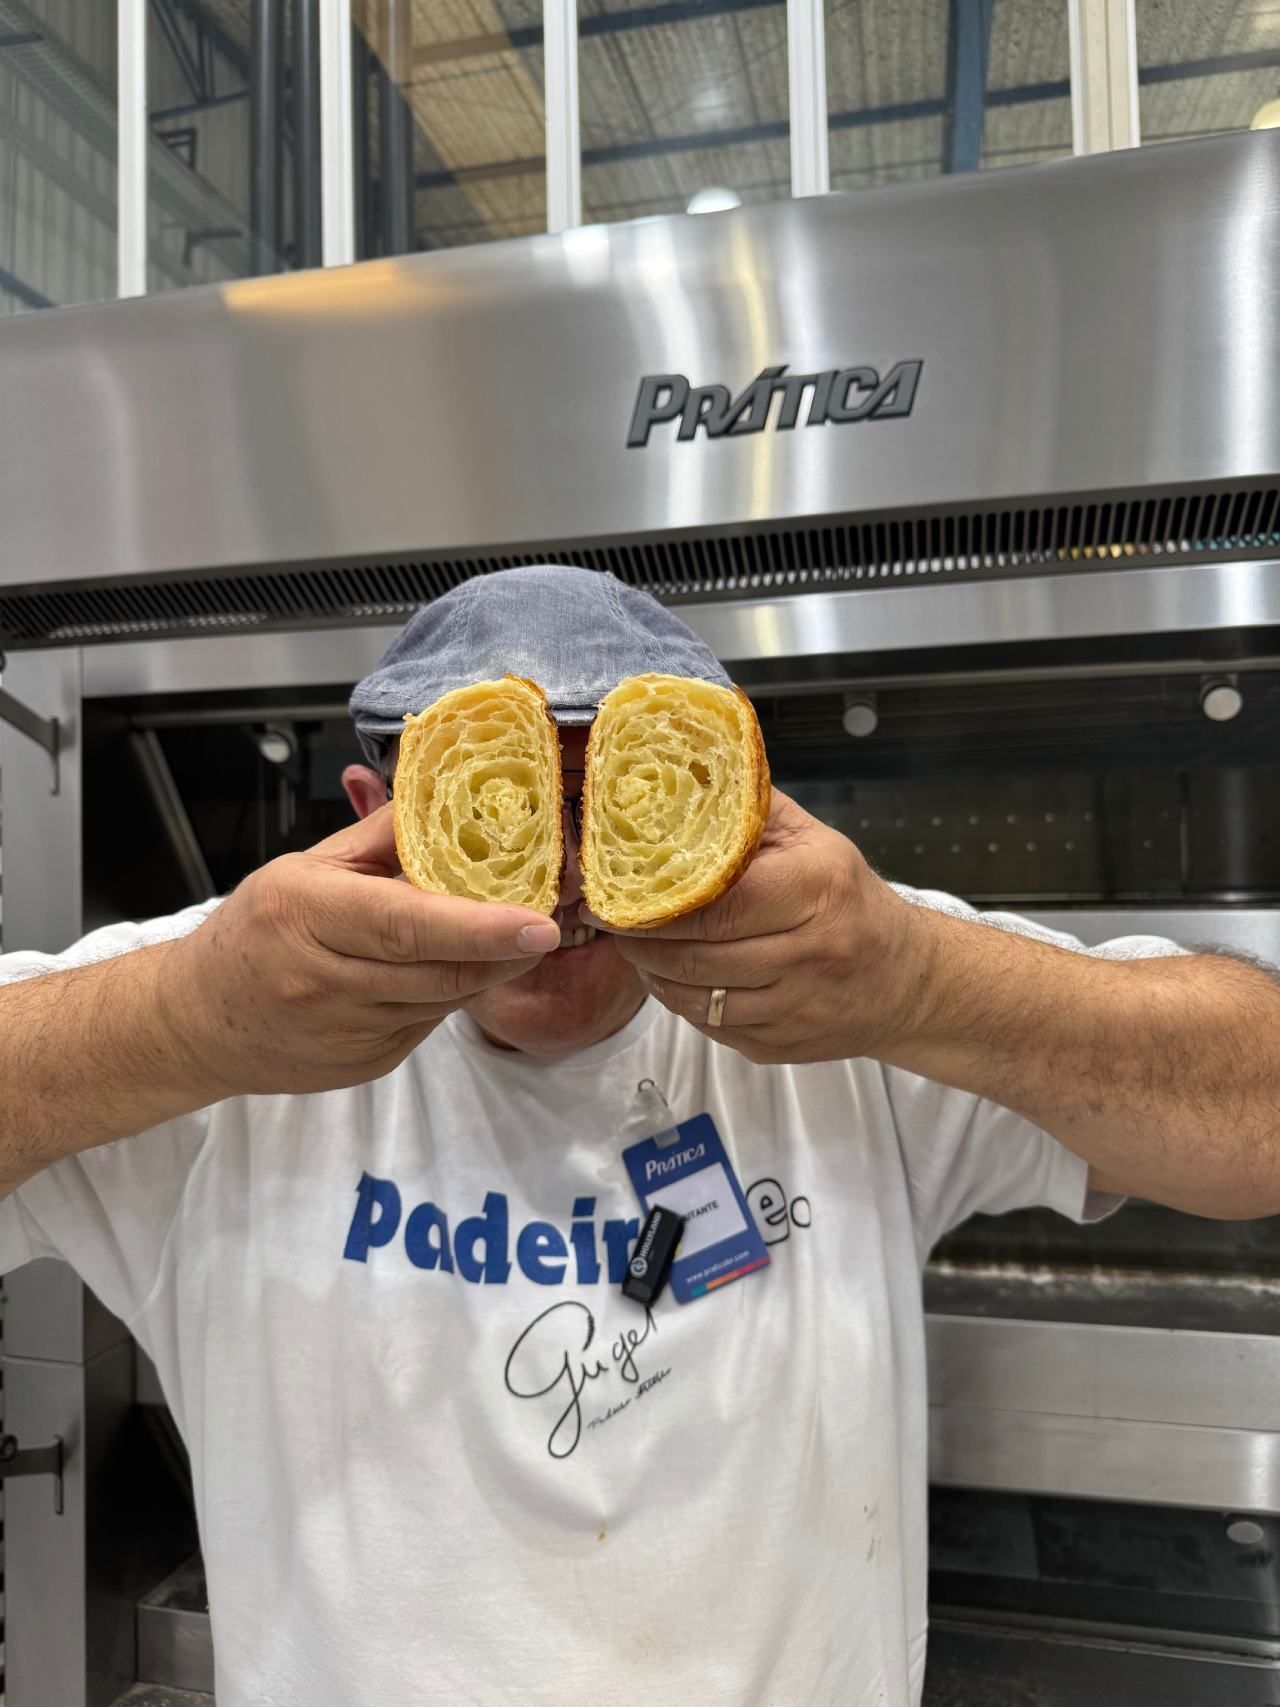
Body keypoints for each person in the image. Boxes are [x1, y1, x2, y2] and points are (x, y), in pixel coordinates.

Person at [0, 564, 1276, 1707]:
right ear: (365, 808)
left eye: (612, 795)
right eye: (496, 799)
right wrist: (173, 1021)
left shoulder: (856, 979)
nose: (557, 868)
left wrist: (928, 984)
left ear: (735, 809)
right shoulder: (220, 1003)